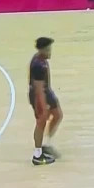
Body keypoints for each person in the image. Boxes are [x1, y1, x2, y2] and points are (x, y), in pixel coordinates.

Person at [29, 37, 62, 165]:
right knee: (41, 121)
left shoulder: (42, 60)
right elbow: (38, 89)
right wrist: (42, 106)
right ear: (41, 50)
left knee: (58, 115)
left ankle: (46, 145)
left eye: (50, 49)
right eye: (47, 50)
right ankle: (37, 155)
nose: (50, 52)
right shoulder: (38, 65)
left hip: (47, 91)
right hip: (39, 94)